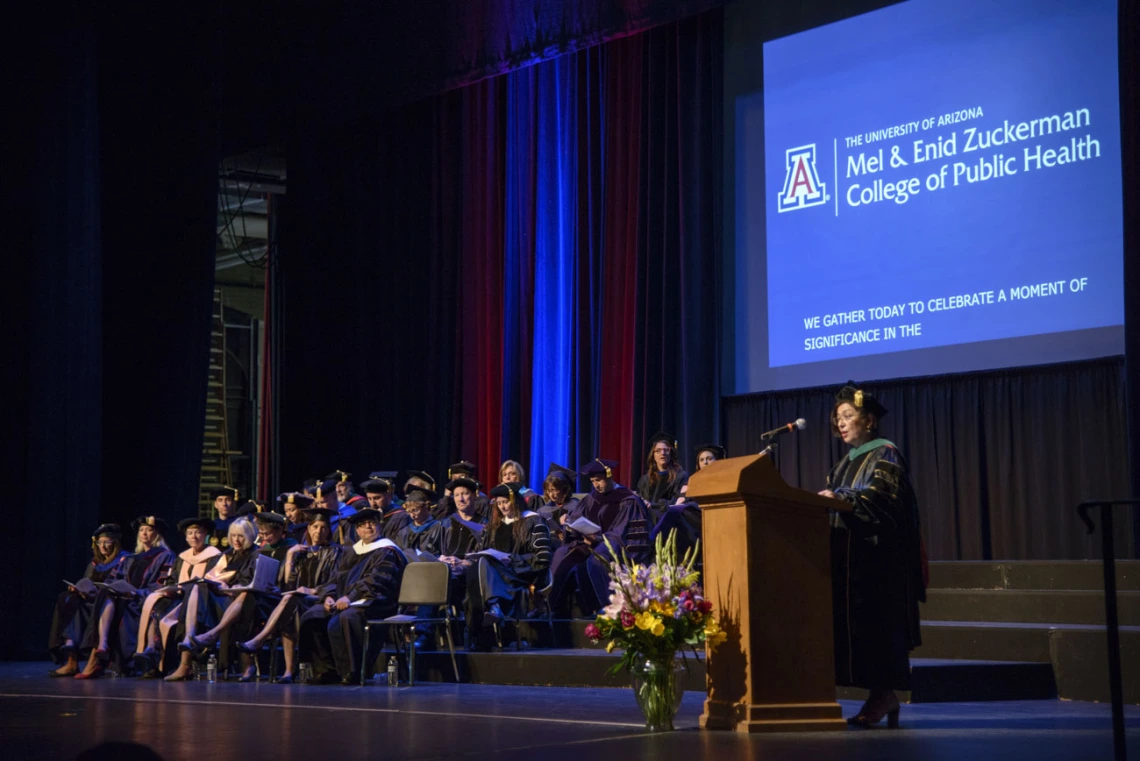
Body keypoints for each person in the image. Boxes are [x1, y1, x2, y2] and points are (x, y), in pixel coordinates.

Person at [818, 383, 925, 729]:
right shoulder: (839, 466)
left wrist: (842, 497)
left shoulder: (886, 454)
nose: (842, 423)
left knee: (878, 628)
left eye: (849, 416)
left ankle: (884, 695)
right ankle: (878, 696)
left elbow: (884, 499)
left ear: (869, 421)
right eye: (839, 418)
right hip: (849, 561)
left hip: (879, 563)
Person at [297, 508, 407, 684]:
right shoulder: (352, 552)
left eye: (372, 523)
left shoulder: (387, 551)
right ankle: (326, 670)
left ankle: (352, 672)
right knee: (312, 616)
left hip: (375, 603)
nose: (368, 528)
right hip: (345, 601)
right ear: (357, 531)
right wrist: (329, 596)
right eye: (362, 525)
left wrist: (350, 598)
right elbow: (335, 578)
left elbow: (377, 581)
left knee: (344, 618)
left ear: (379, 526)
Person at [238, 508, 345, 683]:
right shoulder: (301, 551)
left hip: (320, 599)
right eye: (315, 527)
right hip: (298, 600)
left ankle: (259, 640)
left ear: (329, 530)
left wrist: (312, 591)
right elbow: (289, 583)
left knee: (289, 600)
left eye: (323, 527)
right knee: (289, 604)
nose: (319, 531)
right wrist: (289, 556)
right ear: (308, 529)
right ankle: (288, 671)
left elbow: (336, 581)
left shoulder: (336, 551)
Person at [75, 516, 175, 678]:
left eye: (149, 530)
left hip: (144, 600)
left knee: (115, 605)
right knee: (104, 594)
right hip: (124, 598)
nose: (144, 534)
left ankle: (99, 656)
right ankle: (102, 644)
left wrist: (136, 593)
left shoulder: (165, 555)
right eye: (142, 530)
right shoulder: (132, 557)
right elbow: (113, 579)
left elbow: (162, 585)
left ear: (157, 535)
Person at [547, 459, 650, 617]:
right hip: (589, 542)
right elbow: (577, 519)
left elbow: (621, 533)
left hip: (612, 546)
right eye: (593, 481)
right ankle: (553, 608)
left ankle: (604, 609)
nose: (596, 485)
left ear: (609, 477)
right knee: (562, 553)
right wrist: (569, 524)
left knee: (595, 559)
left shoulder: (628, 500)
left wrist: (598, 539)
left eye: (599, 480)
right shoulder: (591, 498)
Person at [164, 517, 261, 681]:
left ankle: (193, 653)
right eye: (234, 536)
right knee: (196, 586)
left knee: (242, 598)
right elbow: (213, 577)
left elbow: (255, 583)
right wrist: (216, 585)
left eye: (241, 536)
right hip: (222, 599)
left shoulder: (256, 554)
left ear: (250, 536)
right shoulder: (227, 555)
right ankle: (189, 639)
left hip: (244, 601)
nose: (236, 540)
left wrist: (230, 589)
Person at [463, 482, 552, 650]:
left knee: (484, 566)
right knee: (478, 566)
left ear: (516, 500)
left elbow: (542, 557)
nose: (503, 506)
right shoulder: (494, 526)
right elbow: (481, 552)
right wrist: (462, 561)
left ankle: (487, 625)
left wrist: (511, 560)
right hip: (494, 575)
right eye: (499, 503)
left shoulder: (534, 521)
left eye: (506, 502)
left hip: (520, 575)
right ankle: (491, 615)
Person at [131, 517, 222, 677]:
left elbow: (215, 581)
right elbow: (172, 580)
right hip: (180, 598)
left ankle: (168, 664)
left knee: (167, 617)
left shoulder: (215, 556)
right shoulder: (182, 557)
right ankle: (150, 651)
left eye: (198, 533)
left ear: (205, 534)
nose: (194, 536)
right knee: (155, 606)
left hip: (203, 602)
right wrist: (169, 589)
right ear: (186, 537)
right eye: (190, 533)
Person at [48, 524, 130, 676]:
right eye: (100, 542)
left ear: (115, 542)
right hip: (92, 600)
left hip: (114, 602)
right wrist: (79, 589)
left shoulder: (125, 560)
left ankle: (94, 661)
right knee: (67, 598)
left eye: (107, 542)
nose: (103, 546)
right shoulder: (94, 564)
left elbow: (125, 584)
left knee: (96, 602)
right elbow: (86, 582)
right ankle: (71, 657)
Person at [362, 471, 412, 540]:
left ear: (388, 496)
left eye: (377, 498)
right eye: (369, 498)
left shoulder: (401, 516)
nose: (373, 503)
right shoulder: (369, 515)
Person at [393, 486, 442, 556]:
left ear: (426, 506)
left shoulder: (439, 528)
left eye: (415, 510)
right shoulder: (404, 532)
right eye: (409, 512)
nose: (412, 515)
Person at [538, 464, 579, 543]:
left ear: (564, 489)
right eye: (549, 491)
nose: (552, 495)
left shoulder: (575, 505)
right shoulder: (543, 510)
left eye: (555, 490)